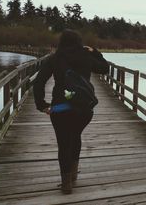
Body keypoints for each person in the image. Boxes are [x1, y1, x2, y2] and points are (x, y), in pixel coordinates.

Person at [33, 29, 109, 194]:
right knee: (75, 136)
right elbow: (104, 69)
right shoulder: (86, 56)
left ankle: (66, 183)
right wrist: (95, 52)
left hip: (61, 109)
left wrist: (42, 105)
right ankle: (74, 175)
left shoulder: (55, 58)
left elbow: (38, 83)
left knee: (63, 144)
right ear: (79, 42)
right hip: (84, 110)